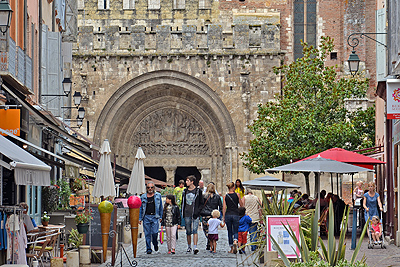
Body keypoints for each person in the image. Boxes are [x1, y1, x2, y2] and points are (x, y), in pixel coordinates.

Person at [181, 175, 204, 254]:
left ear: (192, 182)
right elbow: (183, 202)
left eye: (187, 181)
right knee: (188, 231)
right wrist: (183, 212)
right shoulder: (185, 191)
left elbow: (201, 203)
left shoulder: (198, 191)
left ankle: (195, 246)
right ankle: (189, 246)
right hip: (187, 212)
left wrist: (198, 211)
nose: (186, 182)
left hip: (195, 213)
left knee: (195, 230)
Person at [139, 182, 163, 254]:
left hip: (155, 216)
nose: (150, 189)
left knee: (155, 233)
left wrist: (161, 216)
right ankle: (148, 248)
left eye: (151, 187)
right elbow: (140, 209)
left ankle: (155, 243)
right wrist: (140, 218)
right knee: (147, 233)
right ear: (146, 188)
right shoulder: (143, 197)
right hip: (146, 216)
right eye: (148, 187)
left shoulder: (158, 196)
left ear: (154, 188)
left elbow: (161, 207)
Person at [201, 182, 223, 250]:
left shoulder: (204, 196)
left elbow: (201, 205)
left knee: (206, 229)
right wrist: (220, 215)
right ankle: (211, 242)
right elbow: (220, 206)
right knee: (213, 229)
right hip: (214, 215)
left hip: (205, 214)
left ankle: (209, 240)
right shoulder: (217, 197)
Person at [223, 181, 243, 254]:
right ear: (233, 187)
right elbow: (241, 205)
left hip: (228, 214)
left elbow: (224, 207)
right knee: (235, 230)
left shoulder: (225, 196)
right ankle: (235, 240)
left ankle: (231, 248)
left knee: (229, 231)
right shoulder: (237, 195)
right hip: (235, 214)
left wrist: (224, 217)